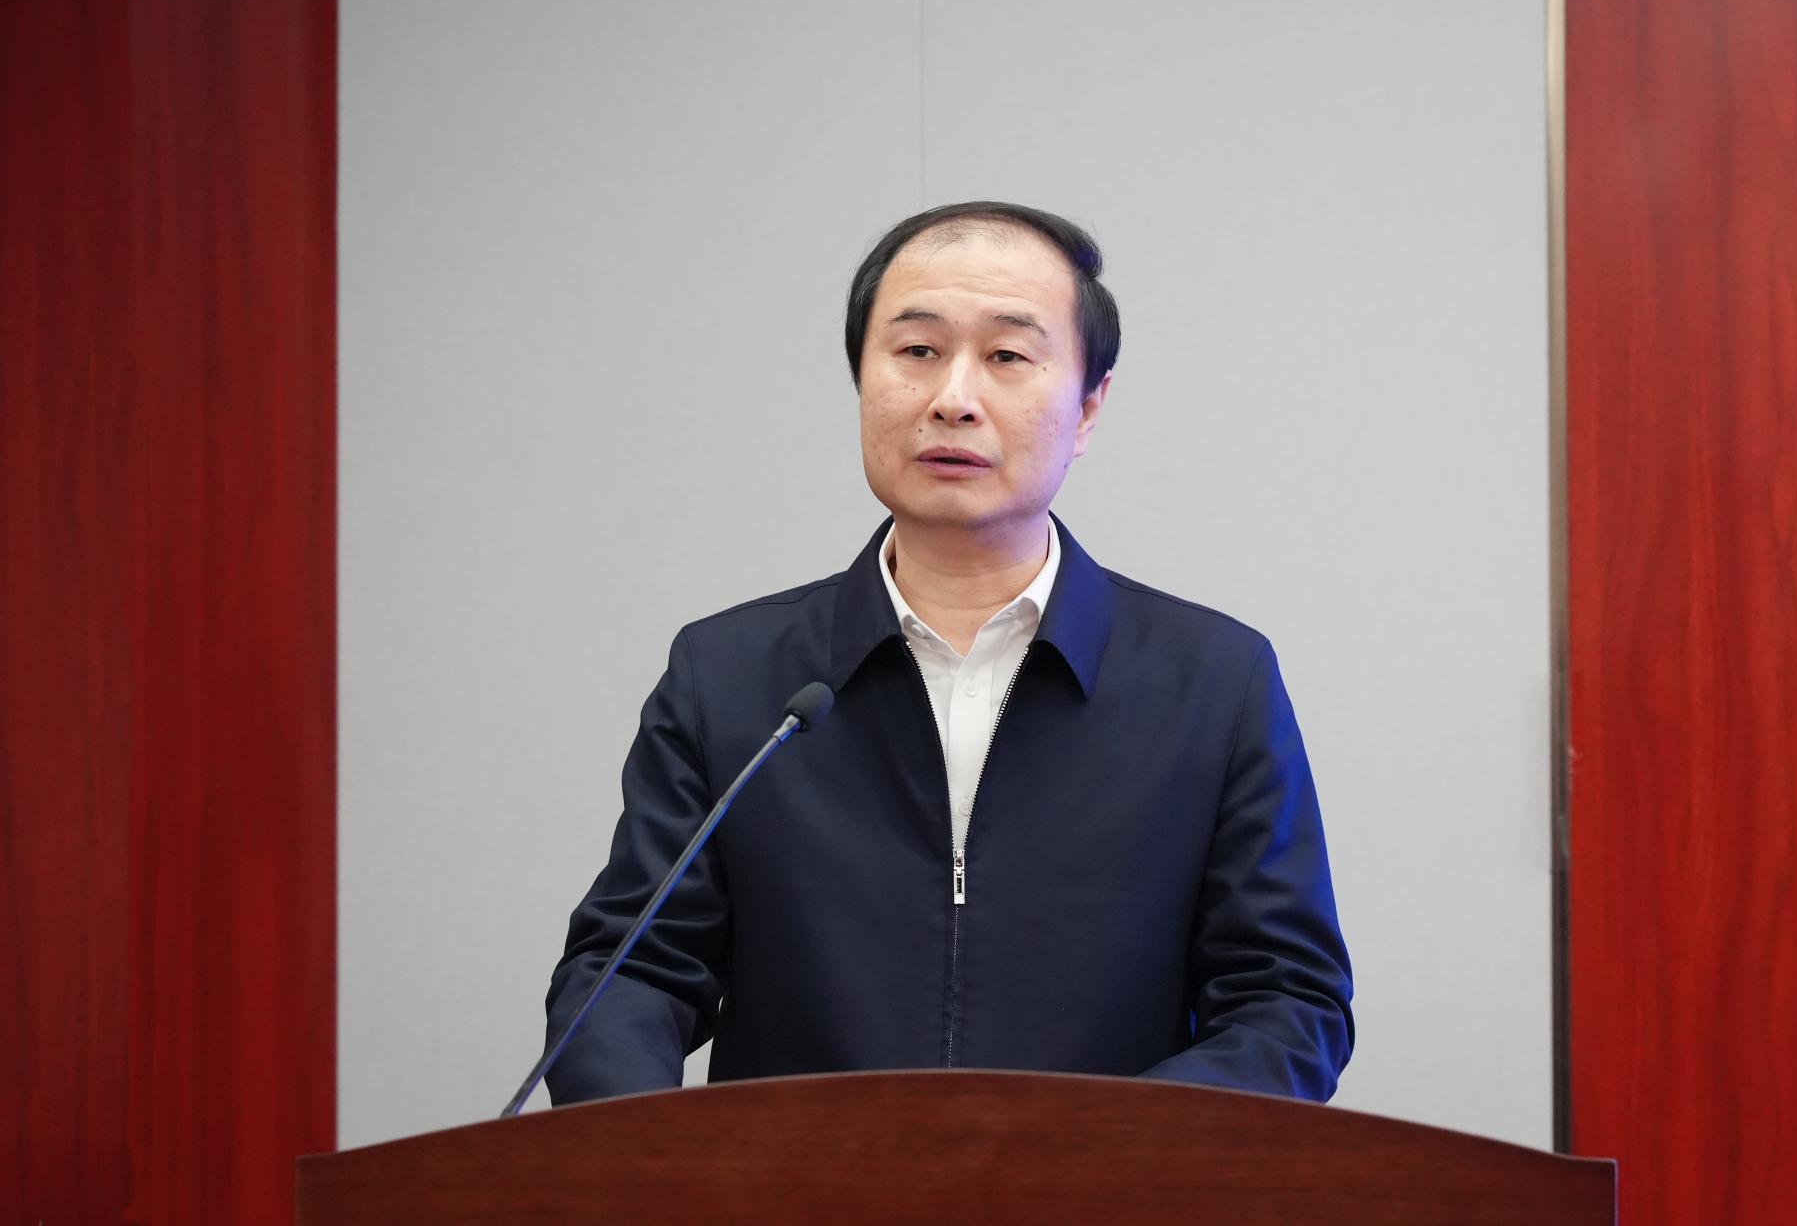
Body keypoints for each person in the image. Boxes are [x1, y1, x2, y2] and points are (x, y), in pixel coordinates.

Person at [544, 202, 1353, 1103]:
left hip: (1105, 1179)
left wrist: (1111, 1154)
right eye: (918, 350)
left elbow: (1286, 1001)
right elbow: (630, 971)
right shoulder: (733, 676)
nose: (953, 398)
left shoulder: (1213, 682)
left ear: (1088, 406)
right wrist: (655, 1159)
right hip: (796, 1179)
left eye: (1007, 356)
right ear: (862, 379)